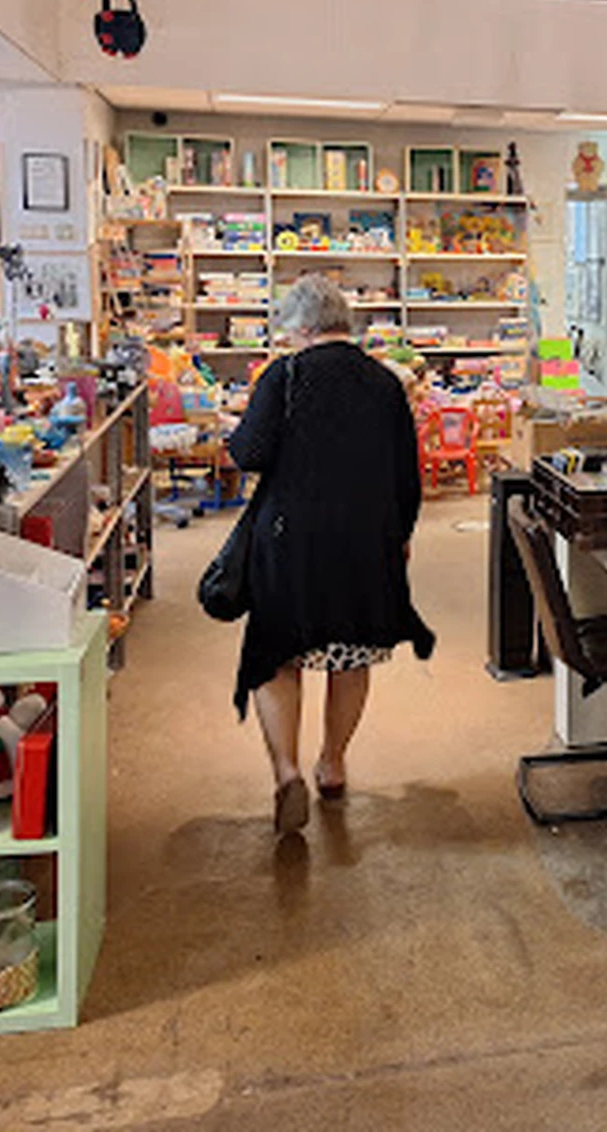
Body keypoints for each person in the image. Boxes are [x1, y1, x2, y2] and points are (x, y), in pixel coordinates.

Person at [225, 275, 434, 835]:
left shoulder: (283, 376)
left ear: (301, 327)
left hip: (289, 538)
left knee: (277, 653)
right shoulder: (386, 383)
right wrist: (401, 534)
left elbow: (249, 453)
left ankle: (287, 771)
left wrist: (236, 433)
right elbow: (407, 474)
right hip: (365, 539)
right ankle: (333, 763)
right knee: (351, 653)